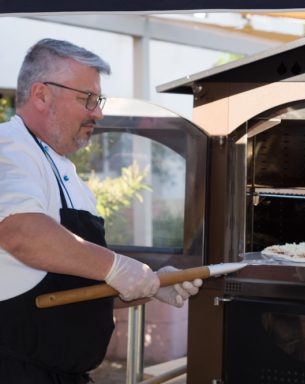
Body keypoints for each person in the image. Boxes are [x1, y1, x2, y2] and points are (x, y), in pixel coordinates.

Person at [0, 38, 203, 383]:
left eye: (99, 100)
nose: (98, 112)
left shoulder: (69, 177)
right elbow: (19, 231)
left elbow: (79, 286)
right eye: (88, 99)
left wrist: (148, 283)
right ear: (41, 94)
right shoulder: (9, 148)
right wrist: (116, 266)